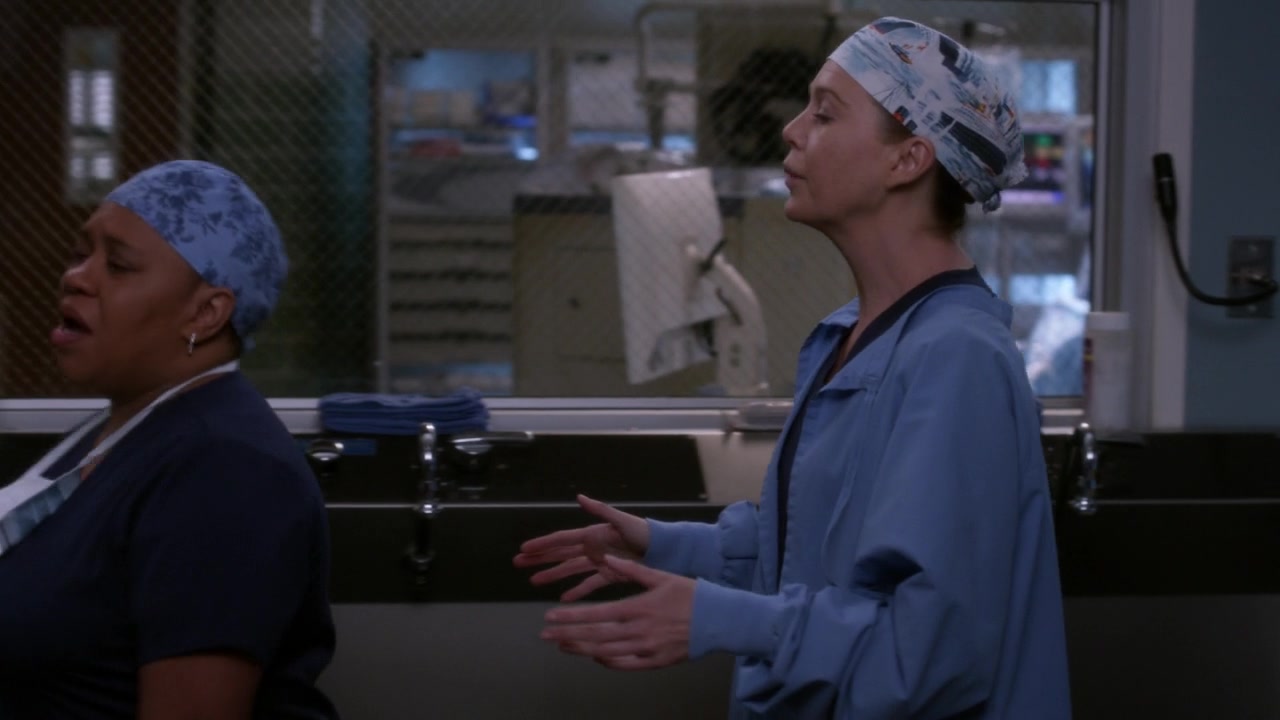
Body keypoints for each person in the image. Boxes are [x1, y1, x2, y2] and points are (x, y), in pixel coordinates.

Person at [514, 17, 1071, 719]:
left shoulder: (956, 359)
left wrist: (725, 618)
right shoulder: (852, 334)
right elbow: (814, 549)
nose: (791, 130)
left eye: (825, 113)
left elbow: (931, 655)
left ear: (908, 160)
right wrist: (667, 547)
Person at [0, 160, 339, 719]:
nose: (77, 277)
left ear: (205, 313)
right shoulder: (119, 430)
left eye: (118, 265)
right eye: (81, 253)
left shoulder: (226, 472)